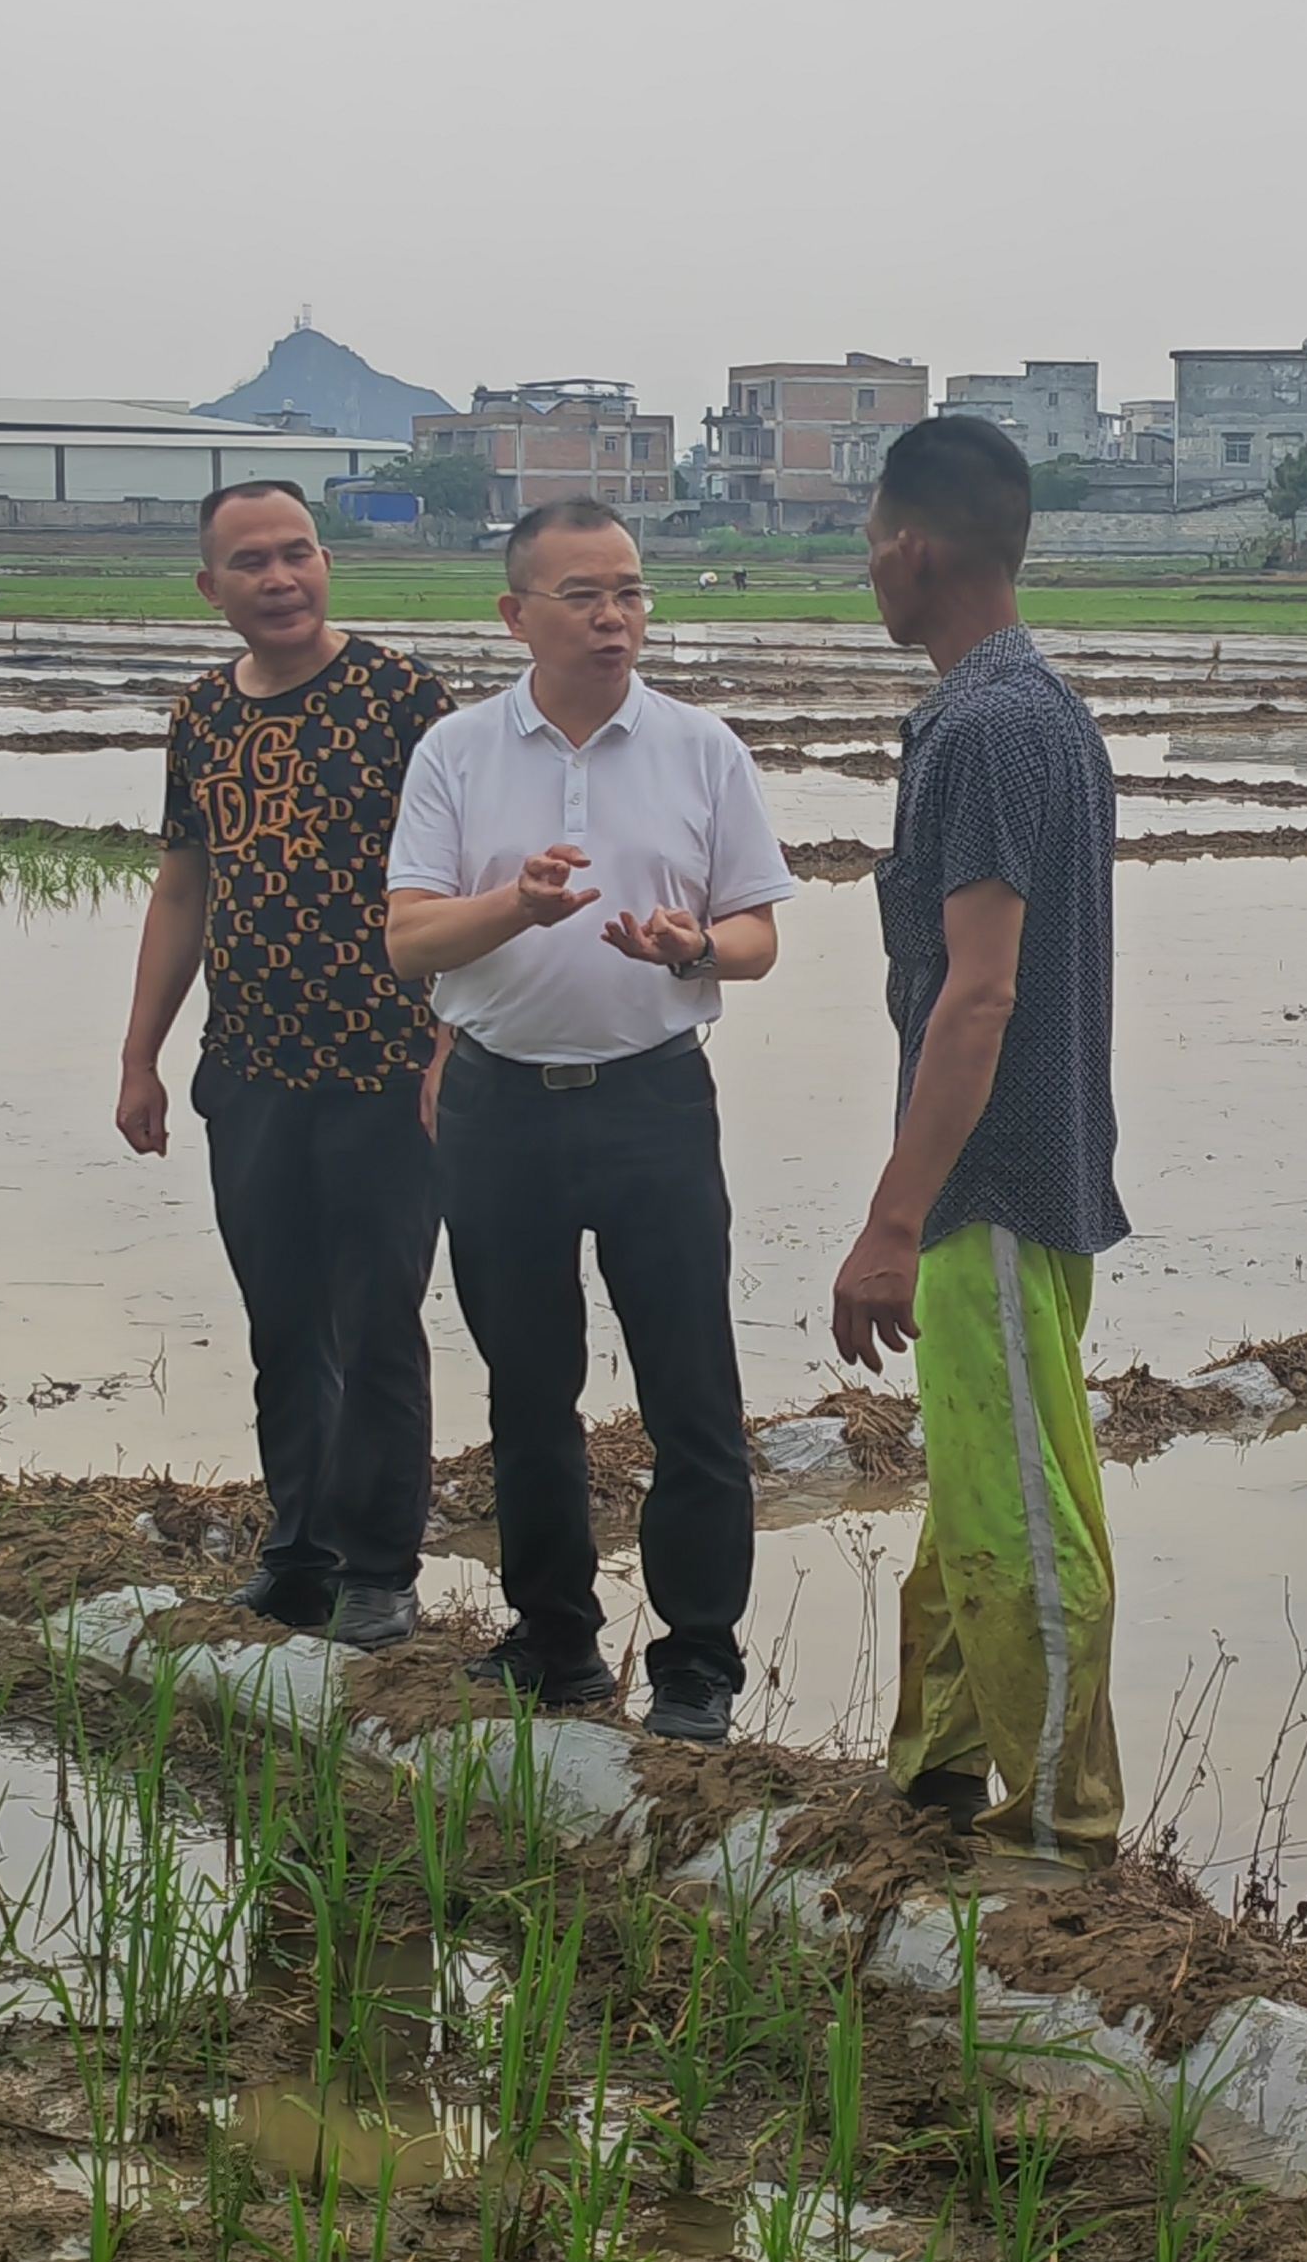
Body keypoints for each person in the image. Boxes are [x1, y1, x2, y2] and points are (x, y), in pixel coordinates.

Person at [386, 499, 796, 1742]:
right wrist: (516, 904)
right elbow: (410, 941)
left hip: (653, 1100)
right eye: (584, 595)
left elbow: (759, 936)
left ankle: (697, 1665)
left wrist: (693, 945)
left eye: (630, 590)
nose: (615, 616)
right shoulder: (457, 753)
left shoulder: (699, 748)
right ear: (517, 615)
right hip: (499, 1102)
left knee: (689, 1388)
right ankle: (555, 1641)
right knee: (528, 1391)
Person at [829, 416, 1128, 1867]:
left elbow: (982, 990)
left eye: (870, 538)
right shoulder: (1008, 710)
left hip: (991, 1182)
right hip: (1007, 1179)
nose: (866, 567)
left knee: (1015, 1516)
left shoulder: (994, 725)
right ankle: (940, 1775)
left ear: (916, 546)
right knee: (971, 1491)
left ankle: (1070, 1831)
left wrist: (896, 1217)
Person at [119, 481, 457, 1647]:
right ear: (210, 588)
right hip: (251, 1067)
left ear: (328, 562)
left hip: (384, 1064)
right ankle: (297, 1553)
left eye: (297, 555)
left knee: (376, 1324)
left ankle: (380, 1567)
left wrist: (450, 1039)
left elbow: (459, 889)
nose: (279, 580)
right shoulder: (201, 715)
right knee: (281, 1323)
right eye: (250, 563)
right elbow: (182, 886)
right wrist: (140, 1059)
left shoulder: (406, 700)